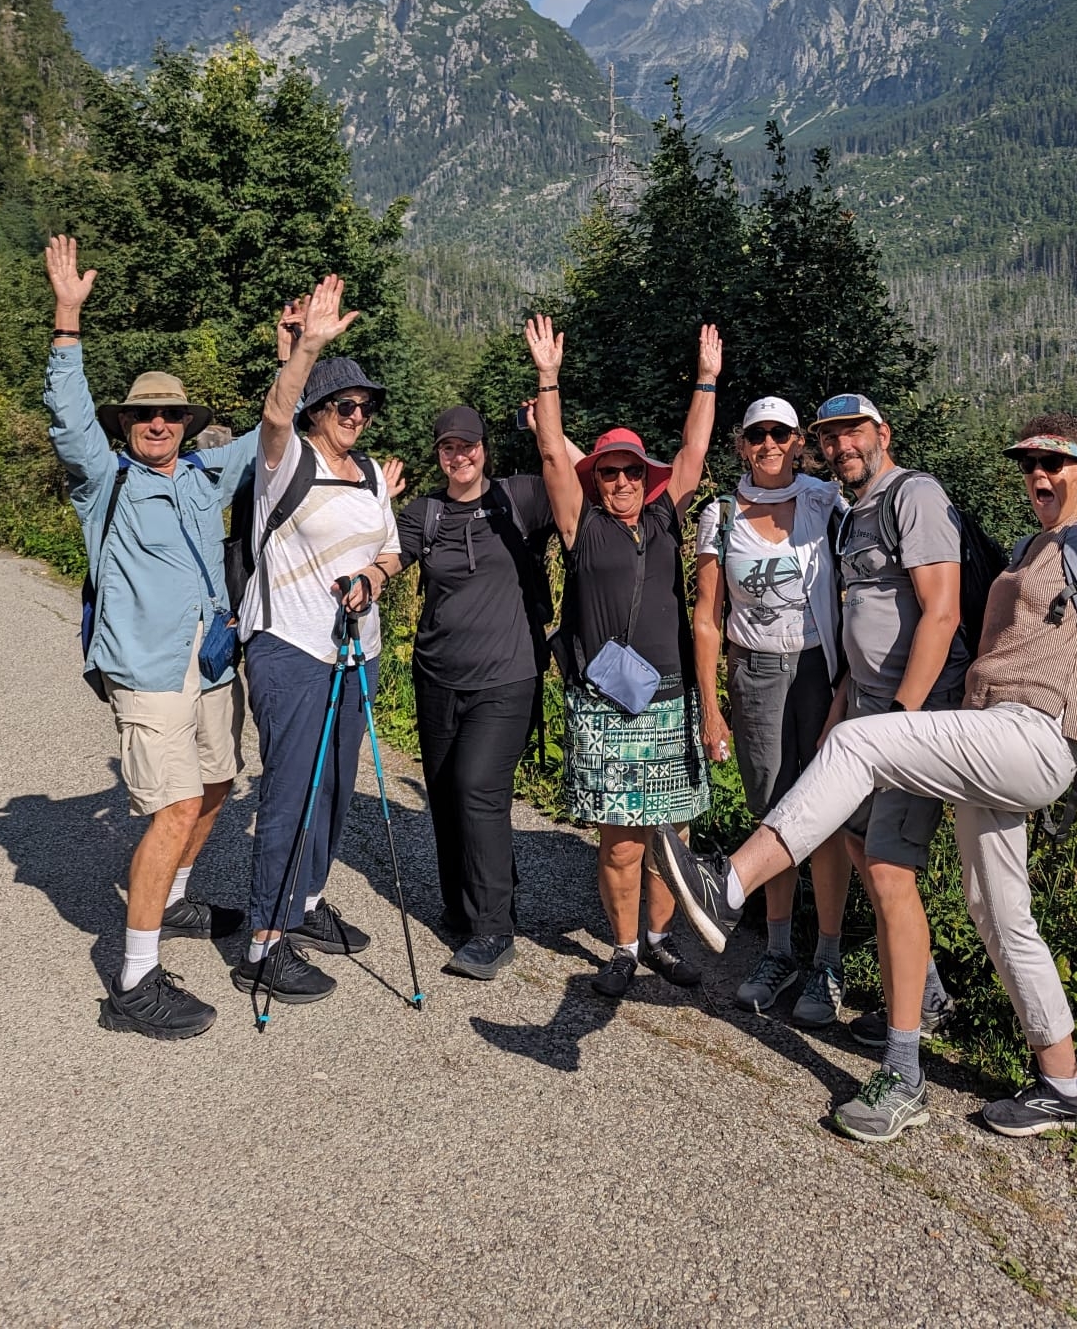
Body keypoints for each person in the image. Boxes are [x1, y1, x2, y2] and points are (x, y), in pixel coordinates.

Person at [653, 340, 1077, 1143]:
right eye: (1031, 462)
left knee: (861, 749)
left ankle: (731, 886)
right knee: (997, 909)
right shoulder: (1030, 548)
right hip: (990, 739)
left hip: (1033, 735)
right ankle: (1064, 1084)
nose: (1040, 474)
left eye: (1058, 464)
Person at [42, 234, 261, 1041]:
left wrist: (300, 354)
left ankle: (174, 901)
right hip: (147, 670)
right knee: (171, 808)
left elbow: (274, 428)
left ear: (186, 423)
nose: (159, 423)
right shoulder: (107, 484)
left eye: (171, 414)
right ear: (128, 425)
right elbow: (68, 424)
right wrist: (69, 320)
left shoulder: (206, 477)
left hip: (209, 667)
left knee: (215, 789)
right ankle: (133, 983)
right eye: (145, 415)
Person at [525, 312, 719, 998]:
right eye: (608, 473)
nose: (621, 483)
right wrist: (549, 381)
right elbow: (552, 454)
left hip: (668, 697)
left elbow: (694, 451)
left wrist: (706, 380)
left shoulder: (667, 517)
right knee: (622, 840)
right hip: (607, 702)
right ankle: (623, 947)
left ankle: (662, 941)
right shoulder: (584, 528)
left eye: (631, 472)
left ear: (646, 475)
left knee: (672, 837)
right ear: (596, 480)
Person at [796, 394, 968, 1132]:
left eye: (852, 433)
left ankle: (904, 1075)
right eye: (830, 438)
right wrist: (845, 715)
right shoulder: (850, 514)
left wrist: (899, 721)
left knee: (892, 872)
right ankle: (923, 997)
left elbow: (943, 611)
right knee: (864, 845)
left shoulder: (914, 495)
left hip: (913, 714)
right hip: (868, 707)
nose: (841, 447)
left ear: (882, 434)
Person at [230, 274, 401, 1006]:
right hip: (291, 651)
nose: (358, 415)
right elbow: (274, 411)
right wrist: (306, 348)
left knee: (333, 792)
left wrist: (374, 576)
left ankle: (305, 905)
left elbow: (391, 551)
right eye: (344, 405)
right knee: (291, 796)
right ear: (317, 410)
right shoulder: (286, 460)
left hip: (353, 656)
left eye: (365, 406)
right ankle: (263, 944)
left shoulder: (370, 476)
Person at [693, 397, 851, 1025]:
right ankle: (780, 951)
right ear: (743, 445)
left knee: (830, 810)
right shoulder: (721, 513)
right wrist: (711, 706)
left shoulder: (824, 501)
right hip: (753, 672)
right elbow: (707, 618)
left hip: (818, 668)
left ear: (797, 441)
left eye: (780, 433)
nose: (769, 443)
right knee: (774, 811)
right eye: (757, 434)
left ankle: (830, 959)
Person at [393, 403, 559, 983]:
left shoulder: (521, 497)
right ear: (437, 454)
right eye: (447, 448)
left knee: (476, 787)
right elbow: (394, 553)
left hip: (507, 676)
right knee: (443, 790)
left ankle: (494, 929)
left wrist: (547, 430)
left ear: (485, 447)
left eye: (468, 445)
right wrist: (369, 577)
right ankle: (466, 907)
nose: (459, 456)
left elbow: (575, 478)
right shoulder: (425, 512)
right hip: (437, 675)